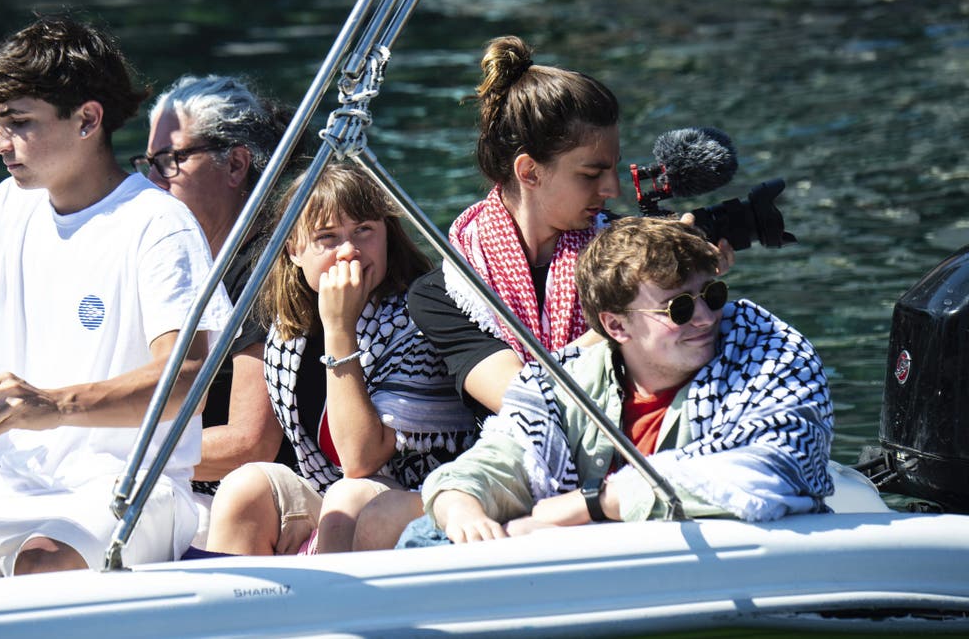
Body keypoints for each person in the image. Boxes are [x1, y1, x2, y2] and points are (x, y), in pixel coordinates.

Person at [351, 35, 734, 550]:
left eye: (614, 168)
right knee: (376, 515)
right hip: (525, 472)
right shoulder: (445, 292)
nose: (612, 190)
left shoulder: (633, 255)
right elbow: (536, 396)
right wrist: (649, 308)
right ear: (529, 171)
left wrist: (693, 287)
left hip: (648, 456)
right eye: (592, 172)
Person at [0, 14, 231, 575]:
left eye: (18, 123)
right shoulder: (5, 207)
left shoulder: (159, 224)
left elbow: (183, 382)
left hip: (127, 490)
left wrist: (52, 405)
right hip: (1, 481)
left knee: (43, 566)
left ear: (87, 120)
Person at [409, 217, 833, 544]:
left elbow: (770, 470)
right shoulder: (566, 382)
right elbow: (503, 456)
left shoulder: (770, 352)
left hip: (738, 569)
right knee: (426, 537)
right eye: (678, 308)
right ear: (617, 326)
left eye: (713, 295)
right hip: (612, 579)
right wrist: (460, 503)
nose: (706, 318)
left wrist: (593, 503)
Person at [204, 162, 479, 556]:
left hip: (430, 496)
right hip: (335, 497)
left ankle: (328, 615)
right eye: (327, 237)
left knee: (348, 499)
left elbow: (360, 460)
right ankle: (239, 614)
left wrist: (338, 328)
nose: (349, 249)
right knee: (245, 488)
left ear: (387, 235)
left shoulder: (416, 319)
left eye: (364, 230)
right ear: (294, 250)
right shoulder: (286, 331)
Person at [133, 74, 299, 546]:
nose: (151, 183)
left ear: (236, 165)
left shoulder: (267, 269)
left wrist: (116, 447)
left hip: (244, 504)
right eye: (148, 163)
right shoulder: (180, 264)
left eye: (169, 161)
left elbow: (250, 443)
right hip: (181, 484)